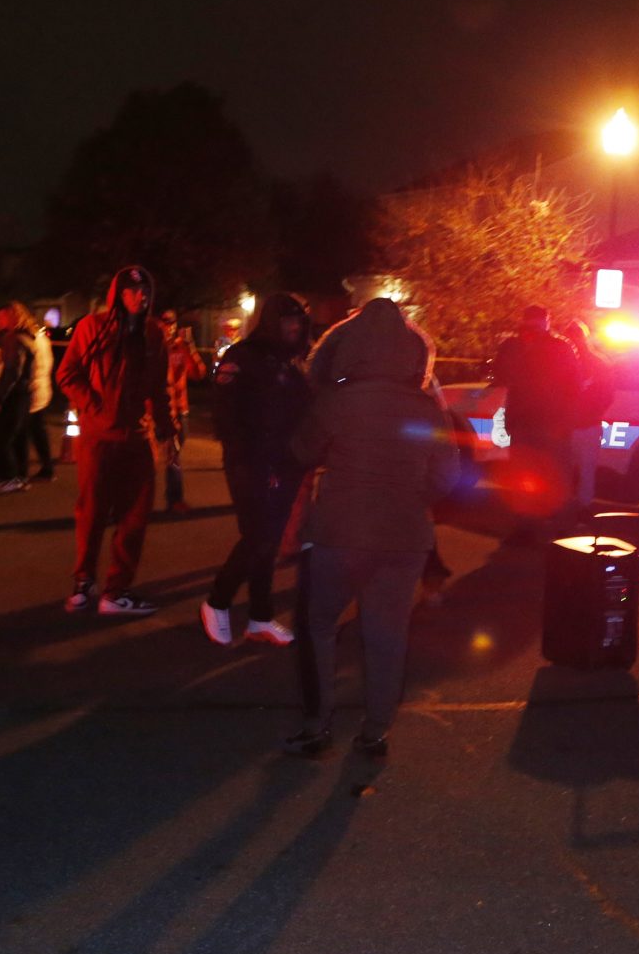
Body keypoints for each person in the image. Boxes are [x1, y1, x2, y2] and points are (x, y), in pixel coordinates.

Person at [281, 299, 460, 761]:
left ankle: (317, 725)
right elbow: (446, 477)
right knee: (386, 635)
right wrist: (409, 498)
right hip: (404, 539)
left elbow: (301, 450)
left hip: (339, 533)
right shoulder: (425, 407)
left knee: (318, 625)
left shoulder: (337, 401)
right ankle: (375, 732)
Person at [56, 266, 174, 617]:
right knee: (91, 514)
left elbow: (159, 387)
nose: (142, 297)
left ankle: (116, 590)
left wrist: (167, 429)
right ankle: (83, 582)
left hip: (137, 438)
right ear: (119, 294)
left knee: (135, 518)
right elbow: (67, 373)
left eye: (146, 291)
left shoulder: (154, 333)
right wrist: (94, 406)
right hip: (98, 438)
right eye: (134, 291)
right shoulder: (92, 327)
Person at [201, 292, 312, 647]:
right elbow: (226, 416)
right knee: (258, 536)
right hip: (250, 462)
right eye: (287, 320)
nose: (294, 327)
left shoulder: (293, 362)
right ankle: (217, 600)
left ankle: (260, 618)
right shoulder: (243, 357)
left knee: (269, 541)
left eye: (298, 320)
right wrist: (254, 460)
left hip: (286, 463)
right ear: (270, 321)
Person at [488, 306, 581, 539]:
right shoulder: (552, 347)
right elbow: (574, 385)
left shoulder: (526, 347)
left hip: (539, 421)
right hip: (536, 421)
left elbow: (500, 378)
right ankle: (538, 524)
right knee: (537, 473)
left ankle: (541, 524)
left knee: (538, 473)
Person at [158, 309, 207, 513]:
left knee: (174, 455)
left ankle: (174, 498)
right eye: (165, 322)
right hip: (161, 410)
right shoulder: (154, 347)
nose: (170, 326)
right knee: (161, 455)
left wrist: (190, 346)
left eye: (172, 322)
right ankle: (172, 498)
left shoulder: (181, 347)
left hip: (180, 409)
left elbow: (199, 373)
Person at [0, 303, 35, 491]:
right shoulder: (27, 337)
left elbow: (11, 372)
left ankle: (10, 477)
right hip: (23, 394)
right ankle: (21, 476)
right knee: (18, 437)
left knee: (4, 438)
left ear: (12, 317)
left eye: (1, 317)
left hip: (13, 395)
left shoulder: (13, 339)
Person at [566, 318, 614, 519]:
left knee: (568, 469)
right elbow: (607, 395)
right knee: (584, 470)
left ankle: (569, 507)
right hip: (582, 424)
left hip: (574, 425)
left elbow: (606, 394)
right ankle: (581, 508)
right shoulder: (598, 361)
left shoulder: (593, 362)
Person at [24, 310, 58, 480]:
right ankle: (47, 467)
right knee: (38, 430)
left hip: (34, 389)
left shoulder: (32, 341)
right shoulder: (42, 339)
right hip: (42, 387)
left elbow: (31, 367)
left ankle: (42, 468)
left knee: (30, 431)